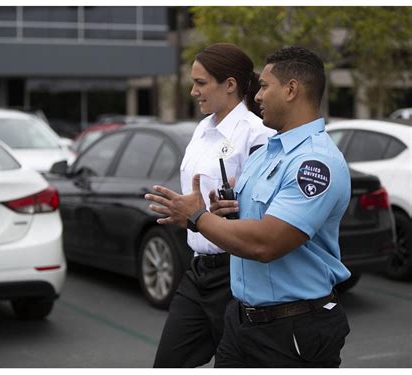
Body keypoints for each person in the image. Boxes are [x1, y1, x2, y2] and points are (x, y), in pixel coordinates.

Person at [145, 46, 351, 368]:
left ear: (291, 90)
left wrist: (197, 217)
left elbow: (266, 242)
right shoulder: (267, 152)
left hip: (291, 329)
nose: (256, 96)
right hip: (242, 320)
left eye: (265, 87)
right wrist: (218, 213)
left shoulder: (315, 162)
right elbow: (249, 219)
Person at [152, 43, 275, 368]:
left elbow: (263, 210)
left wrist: (225, 208)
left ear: (230, 84)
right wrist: (184, 212)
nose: (193, 91)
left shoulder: (256, 133)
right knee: (167, 363)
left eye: (201, 83)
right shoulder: (202, 129)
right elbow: (199, 200)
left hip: (236, 275)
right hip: (198, 270)